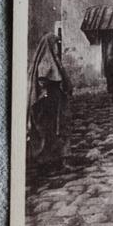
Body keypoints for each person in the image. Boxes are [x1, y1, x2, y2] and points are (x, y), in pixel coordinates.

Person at [27, 32, 72, 165]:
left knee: (58, 128)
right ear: (49, 45)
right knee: (48, 129)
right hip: (48, 102)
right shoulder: (46, 61)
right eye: (56, 44)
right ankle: (46, 159)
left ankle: (58, 157)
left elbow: (61, 77)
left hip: (56, 101)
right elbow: (43, 80)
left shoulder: (55, 60)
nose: (58, 47)